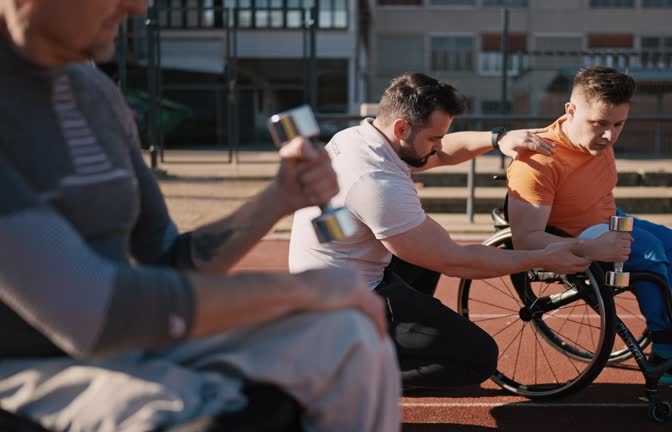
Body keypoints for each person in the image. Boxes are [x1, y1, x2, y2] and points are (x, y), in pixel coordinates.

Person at [0, 1, 400, 431]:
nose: (137, 6)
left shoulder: (95, 91)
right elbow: (91, 311)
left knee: (351, 337)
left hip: (128, 339)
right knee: (186, 411)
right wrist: (303, 289)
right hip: (26, 367)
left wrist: (281, 197)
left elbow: (168, 260)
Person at [289, 72, 592, 390]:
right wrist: (540, 258)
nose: (437, 147)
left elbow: (443, 150)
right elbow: (456, 260)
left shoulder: (358, 138)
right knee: (478, 357)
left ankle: (380, 344)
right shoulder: (375, 182)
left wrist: (497, 138)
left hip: (332, 274)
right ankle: (349, 376)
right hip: (342, 303)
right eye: (433, 138)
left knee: (420, 245)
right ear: (401, 128)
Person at [504, 66, 672, 387]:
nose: (610, 135)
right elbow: (524, 240)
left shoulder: (597, 139)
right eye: (600, 124)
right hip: (573, 235)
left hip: (604, 217)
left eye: (619, 124)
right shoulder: (537, 161)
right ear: (571, 110)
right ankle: (667, 350)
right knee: (649, 252)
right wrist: (587, 247)